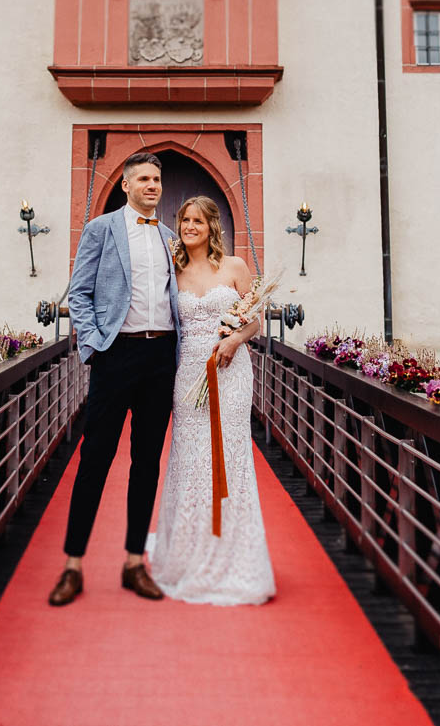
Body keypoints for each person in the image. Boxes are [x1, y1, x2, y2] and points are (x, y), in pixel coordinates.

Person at [49, 151, 180, 607]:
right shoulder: (100, 229)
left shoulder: (170, 238)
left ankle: (133, 562)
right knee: (95, 459)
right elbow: (80, 292)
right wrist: (93, 344)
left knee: (146, 462)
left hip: (161, 356)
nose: (152, 185)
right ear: (126, 185)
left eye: (156, 179)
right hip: (115, 354)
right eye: (143, 179)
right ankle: (72, 564)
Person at [148, 195, 275, 605]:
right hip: (188, 373)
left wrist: (235, 340)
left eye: (198, 221)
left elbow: (255, 320)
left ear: (211, 227)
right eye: (185, 220)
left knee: (230, 455)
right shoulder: (173, 272)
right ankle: (187, 553)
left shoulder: (234, 267)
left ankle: (232, 554)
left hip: (230, 371)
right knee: (190, 457)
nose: (189, 226)